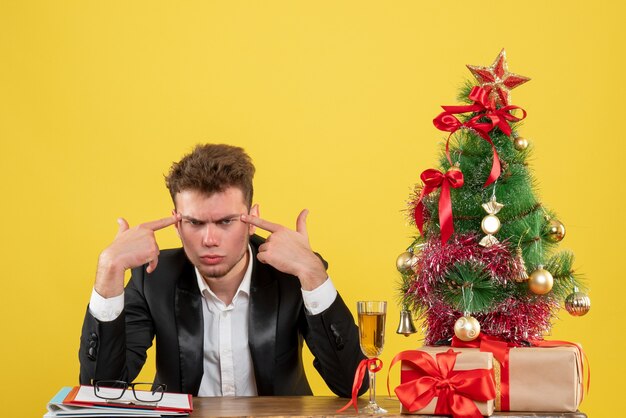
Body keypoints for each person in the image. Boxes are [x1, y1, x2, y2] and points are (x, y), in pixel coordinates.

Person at [78, 144, 367, 397]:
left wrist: (313, 274)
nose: (209, 240)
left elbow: (353, 384)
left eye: (226, 221)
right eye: (195, 223)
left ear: (252, 220)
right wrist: (108, 271)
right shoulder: (153, 278)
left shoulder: (292, 273)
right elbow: (101, 390)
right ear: (177, 225)